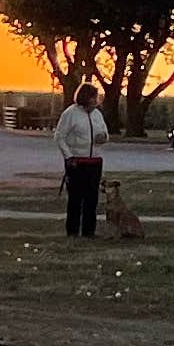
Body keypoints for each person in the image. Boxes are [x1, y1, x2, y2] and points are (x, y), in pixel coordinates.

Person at [56, 79, 107, 238]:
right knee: (76, 199)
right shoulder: (70, 114)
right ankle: (72, 231)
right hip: (77, 162)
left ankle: (89, 231)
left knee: (92, 198)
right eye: (94, 97)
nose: (96, 100)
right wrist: (69, 156)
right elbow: (59, 137)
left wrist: (103, 138)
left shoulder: (97, 114)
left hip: (95, 161)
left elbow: (105, 133)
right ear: (86, 97)